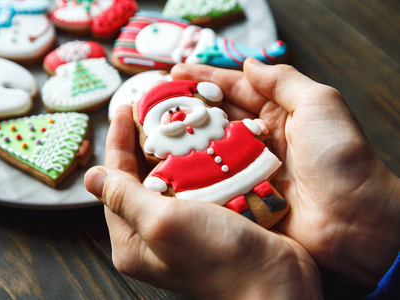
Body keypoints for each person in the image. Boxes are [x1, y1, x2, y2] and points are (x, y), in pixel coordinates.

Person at [84, 58, 400, 299]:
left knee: (264, 192)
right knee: (239, 202)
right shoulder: (169, 159)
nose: (181, 119)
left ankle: (269, 203)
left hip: (250, 166)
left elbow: (244, 128)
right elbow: (163, 174)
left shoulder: (224, 128)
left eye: (183, 110)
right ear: (152, 135)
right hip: (205, 187)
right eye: (169, 117)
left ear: (202, 105)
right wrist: (158, 183)